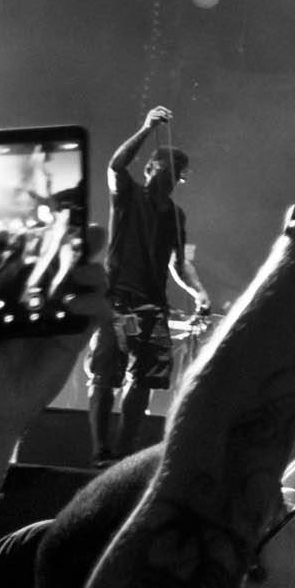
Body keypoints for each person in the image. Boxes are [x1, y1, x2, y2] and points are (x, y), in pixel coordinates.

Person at [89, 106, 212, 465]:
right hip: (117, 301)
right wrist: (145, 128)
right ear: (151, 168)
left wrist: (199, 293)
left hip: (153, 306)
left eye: (177, 174)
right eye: (167, 169)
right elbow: (115, 166)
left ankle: (123, 456)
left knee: (145, 382)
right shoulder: (128, 194)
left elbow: (178, 263)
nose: (171, 177)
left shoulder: (176, 215)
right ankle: (101, 453)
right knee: (106, 376)